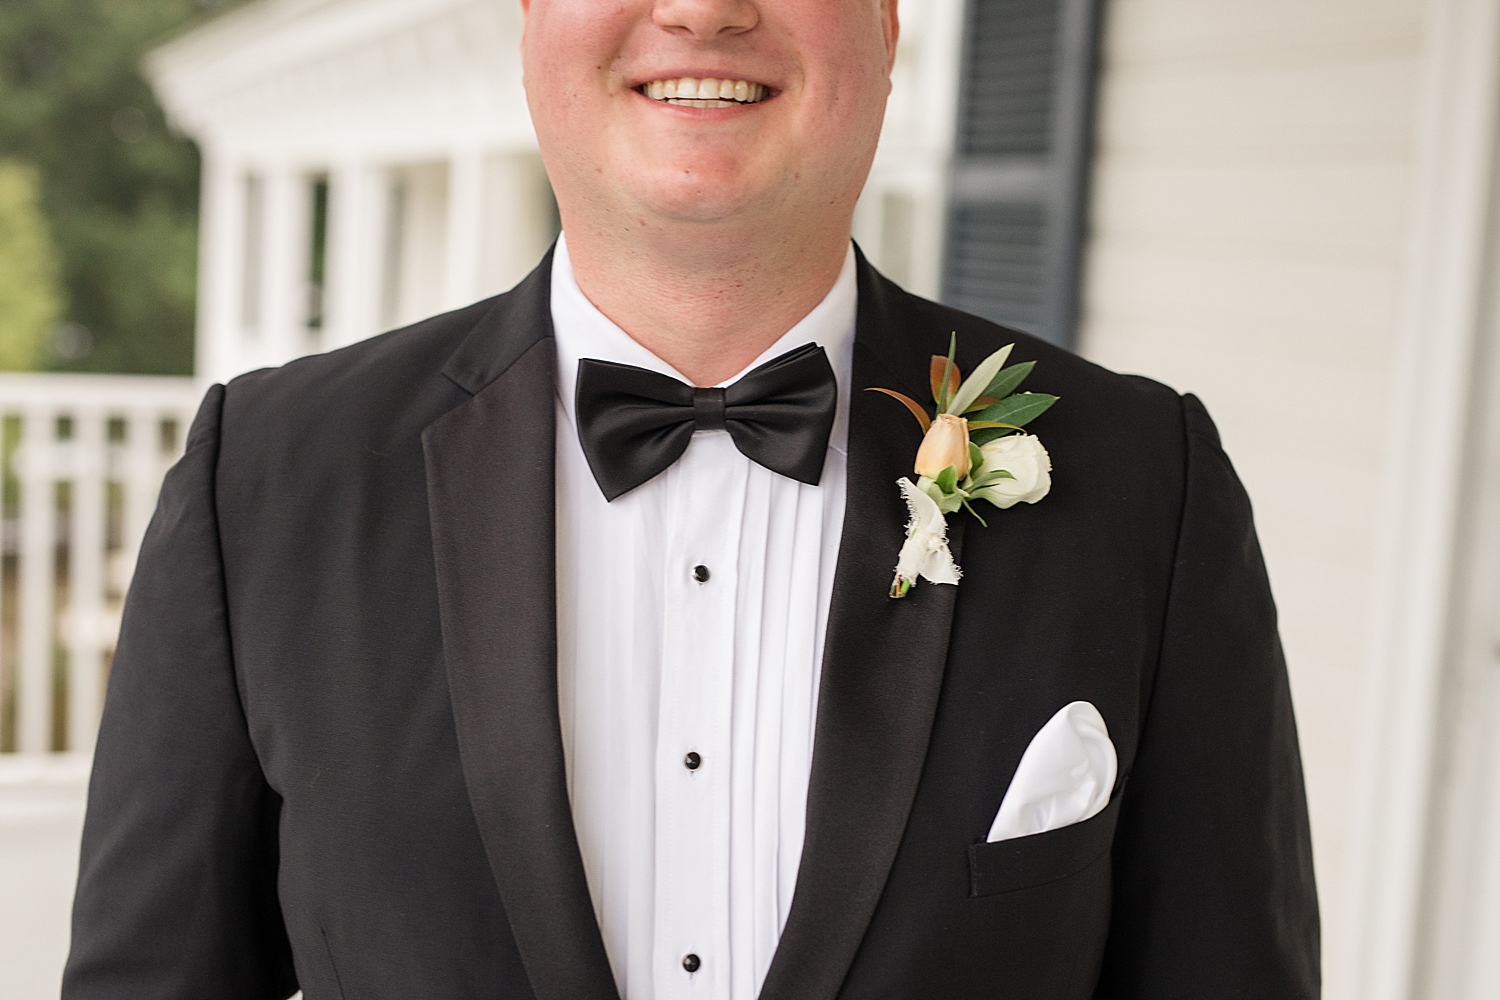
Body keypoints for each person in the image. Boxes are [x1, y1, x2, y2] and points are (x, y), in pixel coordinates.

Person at [62, 0, 1319, 997]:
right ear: (530, 13)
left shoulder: (1148, 483)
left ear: (887, 23)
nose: (706, 9)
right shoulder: (265, 477)